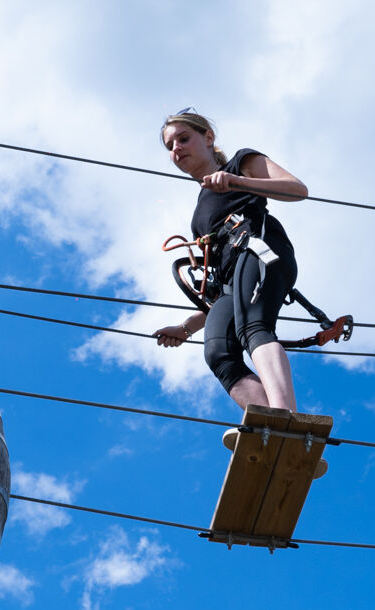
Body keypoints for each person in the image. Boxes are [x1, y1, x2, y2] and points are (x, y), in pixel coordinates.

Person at [151, 110, 324, 473]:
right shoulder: (199, 215)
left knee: (254, 328)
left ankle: (285, 418)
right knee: (219, 353)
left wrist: (236, 181)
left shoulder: (241, 162)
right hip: (234, 278)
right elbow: (221, 290)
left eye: (183, 138)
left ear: (208, 138)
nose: (176, 148)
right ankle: (269, 427)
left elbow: (297, 190)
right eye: (170, 146)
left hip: (261, 250)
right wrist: (185, 328)